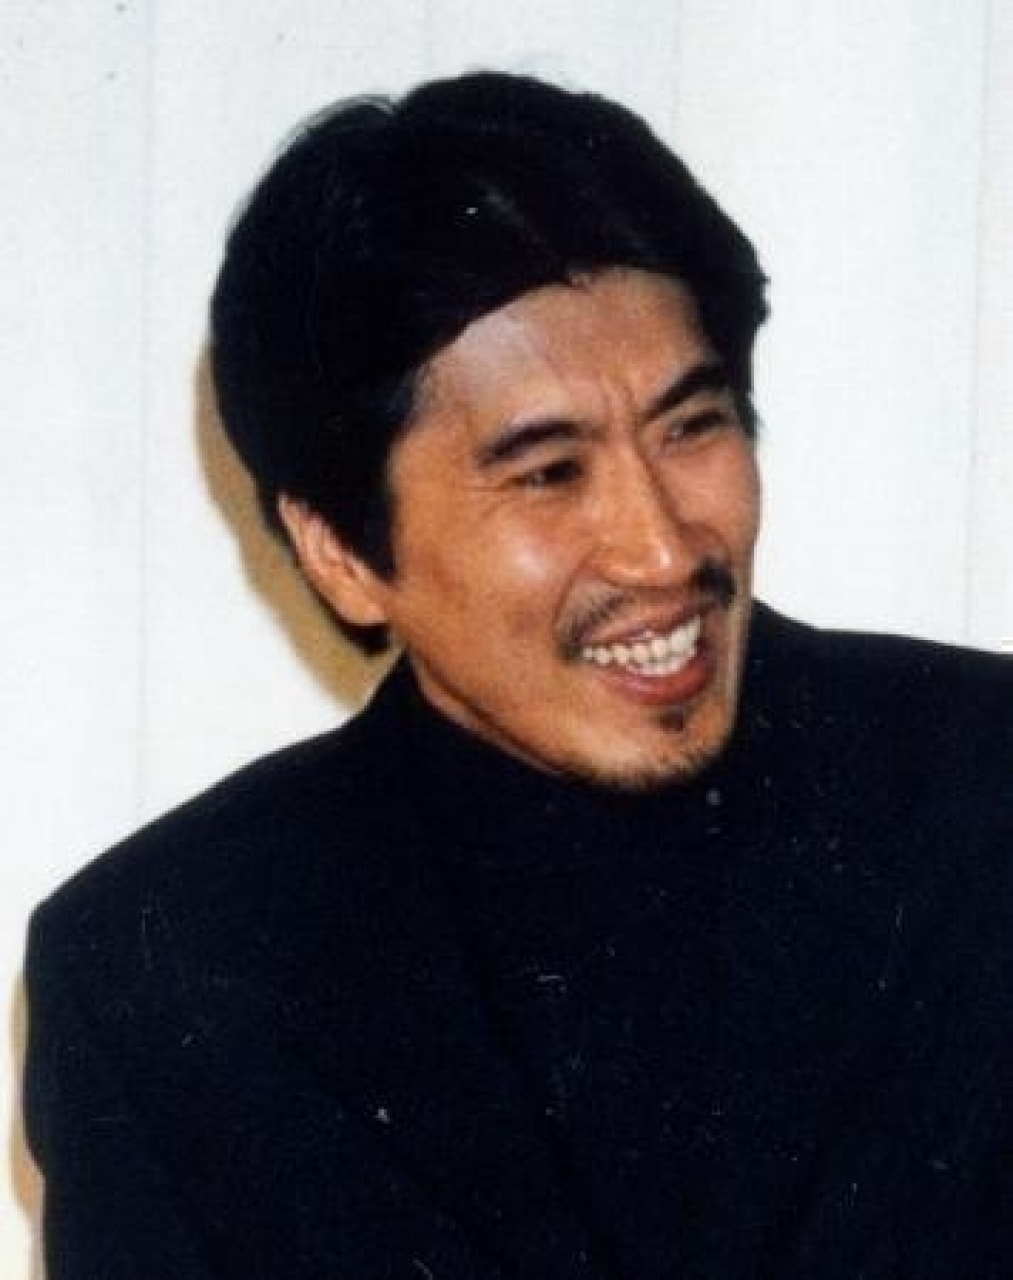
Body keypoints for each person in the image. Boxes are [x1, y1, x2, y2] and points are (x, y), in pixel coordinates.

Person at [23, 71, 1012, 1280]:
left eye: (691, 426)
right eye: (548, 472)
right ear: (343, 554)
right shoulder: (165, 964)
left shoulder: (982, 796)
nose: (660, 547)